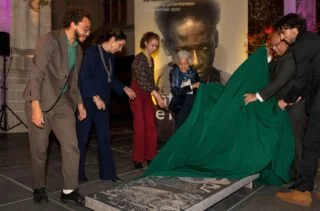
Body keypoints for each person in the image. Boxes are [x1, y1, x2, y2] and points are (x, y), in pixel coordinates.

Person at [23, 8, 91, 205]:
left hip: (62, 104)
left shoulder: (78, 50)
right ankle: (39, 187)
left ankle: (69, 190)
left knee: (71, 145)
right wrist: (35, 105)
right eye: (85, 28)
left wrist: (79, 103)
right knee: (40, 149)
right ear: (74, 23)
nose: (88, 32)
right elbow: (37, 73)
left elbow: (74, 80)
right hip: (41, 100)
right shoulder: (49, 40)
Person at [154, 0, 229, 141]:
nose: (196, 61)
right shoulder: (164, 78)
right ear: (166, 47)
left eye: (205, 48)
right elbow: (177, 94)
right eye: (184, 51)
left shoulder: (228, 82)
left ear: (216, 38)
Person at [244, 32, 307, 181]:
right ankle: (292, 173)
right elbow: (272, 72)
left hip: (294, 105)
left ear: (285, 42)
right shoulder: (282, 58)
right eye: (271, 45)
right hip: (286, 105)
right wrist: (266, 58)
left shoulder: (290, 58)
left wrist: (258, 96)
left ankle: (301, 178)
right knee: (289, 140)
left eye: (275, 45)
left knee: (295, 141)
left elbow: (280, 81)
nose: (274, 48)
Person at [76, 29, 136, 183]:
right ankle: (77, 174)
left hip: (103, 104)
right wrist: (95, 97)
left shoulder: (111, 57)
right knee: (82, 139)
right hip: (88, 102)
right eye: (120, 45)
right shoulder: (91, 52)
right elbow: (84, 77)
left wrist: (123, 88)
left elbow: (110, 79)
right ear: (113, 40)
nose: (121, 49)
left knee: (105, 138)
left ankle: (108, 174)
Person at [273, 13, 320, 207]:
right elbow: (312, 74)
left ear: (294, 28)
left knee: (311, 143)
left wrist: (286, 99)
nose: (283, 37)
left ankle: (302, 192)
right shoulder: (313, 40)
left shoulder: (301, 45)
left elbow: (301, 79)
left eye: (283, 32)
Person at [130, 32, 166, 169]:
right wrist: (156, 95)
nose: (154, 48)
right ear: (145, 43)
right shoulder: (139, 59)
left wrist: (159, 94)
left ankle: (150, 156)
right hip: (137, 93)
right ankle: (138, 158)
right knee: (140, 127)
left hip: (147, 93)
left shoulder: (151, 59)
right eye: (152, 45)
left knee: (151, 125)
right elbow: (143, 82)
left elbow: (150, 81)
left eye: (156, 46)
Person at [169, 50, 200, 129]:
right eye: (180, 64)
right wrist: (191, 86)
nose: (183, 66)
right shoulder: (174, 73)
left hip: (192, 104)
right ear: (177, 63)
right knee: (180, 129)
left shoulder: (193, 72)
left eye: (185, 63)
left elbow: (200, 85)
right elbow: (176, 92)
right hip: (180, 106)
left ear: (189, 63)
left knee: (190, 129)